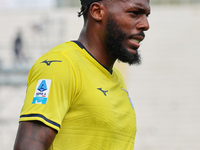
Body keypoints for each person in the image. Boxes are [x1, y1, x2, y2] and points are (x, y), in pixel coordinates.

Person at [14, 0, 150, 149]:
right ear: (97, 12)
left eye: (147, 15)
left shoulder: (117, 78)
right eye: (134, 13)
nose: (145, 25)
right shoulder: (60, 65)